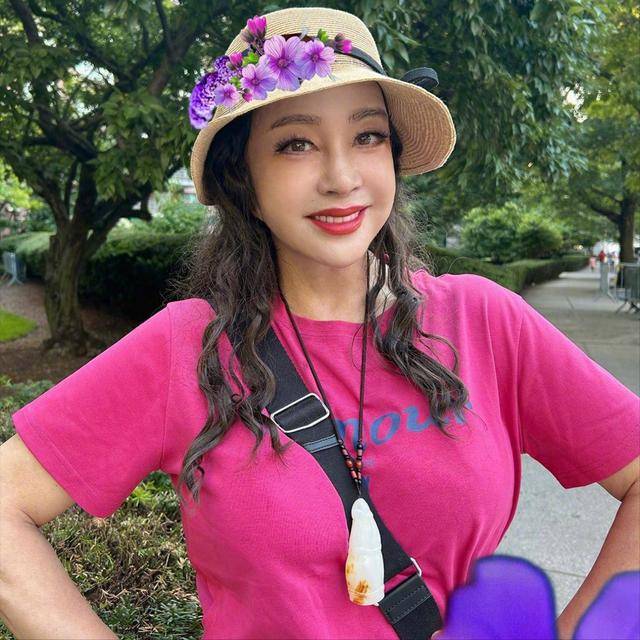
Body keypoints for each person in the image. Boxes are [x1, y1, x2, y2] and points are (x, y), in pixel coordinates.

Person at [1, 7, 639, 640]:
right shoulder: (187, 349)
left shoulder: (483, 322)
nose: (341, 177)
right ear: (243, 179)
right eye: (295, 143)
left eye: (368, 137)